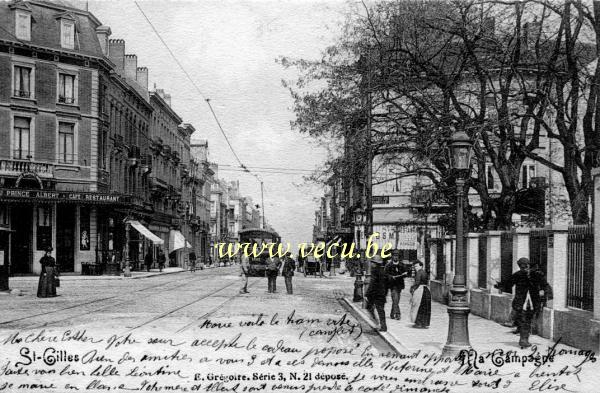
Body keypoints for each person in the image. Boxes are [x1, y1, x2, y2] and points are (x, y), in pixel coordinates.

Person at [502, 257, 547, 348]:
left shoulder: (535, 274)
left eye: (525, 265)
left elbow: (544, 284)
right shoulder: (518, 275)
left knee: (527, 320)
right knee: (524, 320)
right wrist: (499, 285)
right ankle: (523, 340)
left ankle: (523, 337)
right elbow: (508, 284)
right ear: (520, 266)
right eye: (522, 266)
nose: (524, 267)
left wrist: (542, 290)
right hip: (522, 302)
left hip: (531, 302)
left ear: (528, 265)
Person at [366, 255, 388, 332]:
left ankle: (377, 324)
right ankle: (383, 326)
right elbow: (387, 283)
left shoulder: (374, 271)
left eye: (372, 262)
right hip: (382, 294)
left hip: (375, 294)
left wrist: (367, 294)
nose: (371, 264)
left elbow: (372, 283)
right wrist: (385, 292)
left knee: (369, 307)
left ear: (375, 263)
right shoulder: (383, 271)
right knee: (381, 310)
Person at [384, 252, 408, 320]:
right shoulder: (388, 265)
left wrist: (404, 274)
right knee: (395, 299)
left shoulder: (402, 265)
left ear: (399, 257)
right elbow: (385, 275)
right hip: (392, 285)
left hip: (399, 285)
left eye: (397, 256)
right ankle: (398, 314)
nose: (396, 257)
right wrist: (391, 277)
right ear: (392, 257)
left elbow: (406, 273)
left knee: (396, 300)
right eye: (394, 256)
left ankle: (392, 313)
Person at [409, 260, 431, 328]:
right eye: (414, 266)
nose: (415, 268)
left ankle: (418, 323)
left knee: (418, 306)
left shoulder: (419, 272)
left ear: (421, 266)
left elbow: (417, 282)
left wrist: (412, 288)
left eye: (416, 266)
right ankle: (424, 323)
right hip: (426, 290)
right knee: (425, 307)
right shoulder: (424, 272)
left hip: (420, 290)